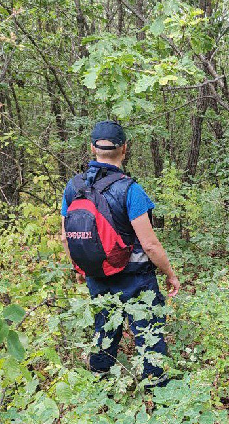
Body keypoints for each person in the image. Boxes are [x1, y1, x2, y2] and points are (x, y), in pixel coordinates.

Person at [60, 121, 180, 385]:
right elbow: (150, 245)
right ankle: (157, 391)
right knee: (148, 333)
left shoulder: (73, 188)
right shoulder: (130, 190)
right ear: (124, 149)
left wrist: (80, 269)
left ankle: (101, 387)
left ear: (93, 148)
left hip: (97, 276)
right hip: (136, 279)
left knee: (105, 329)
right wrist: (170, 273)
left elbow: (66, 237)